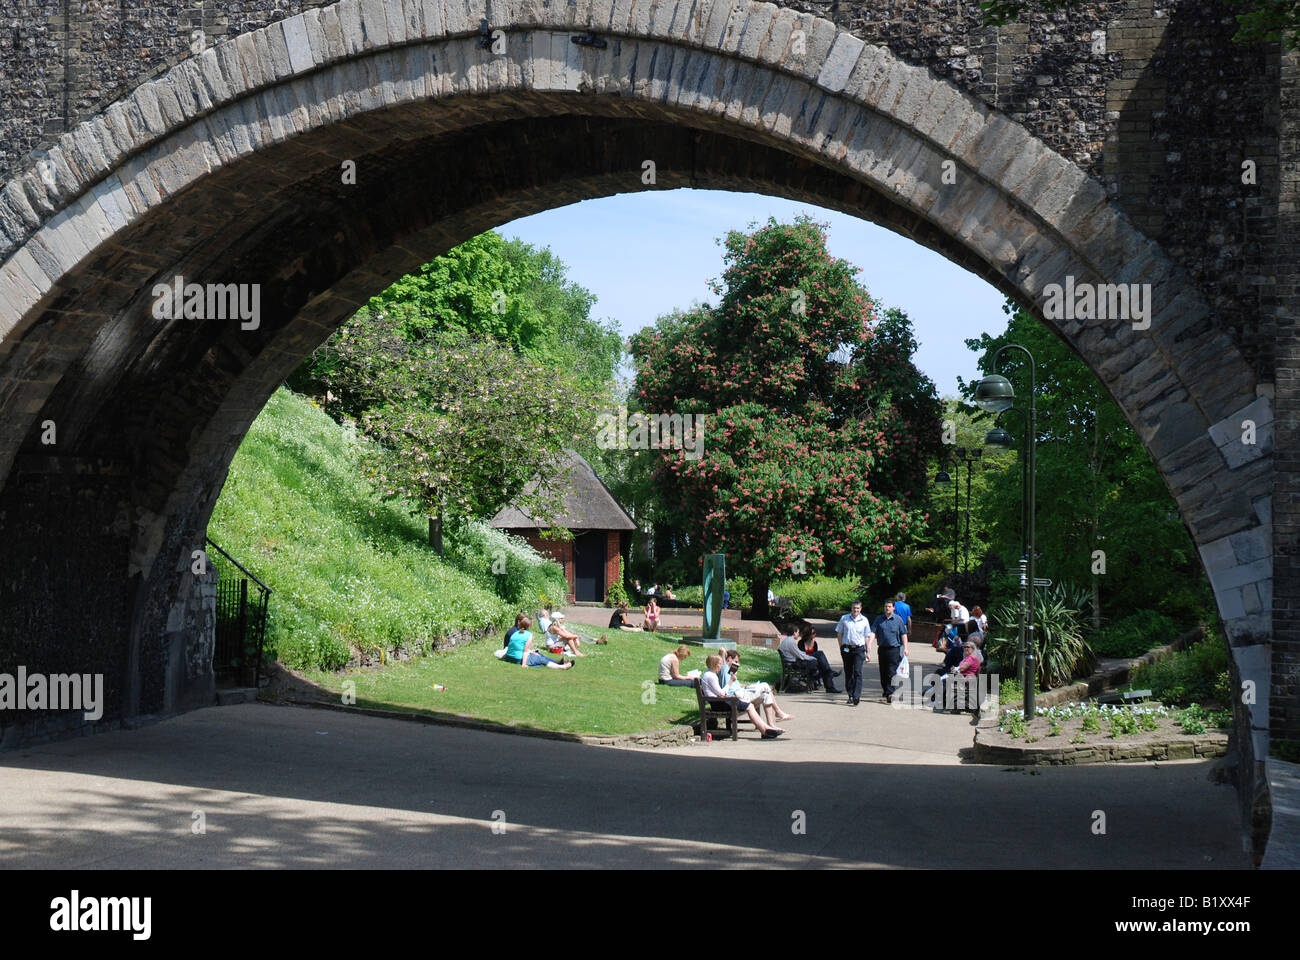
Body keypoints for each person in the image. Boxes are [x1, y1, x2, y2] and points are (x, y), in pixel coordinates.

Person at [700, 653, 784, 739]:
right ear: (715, 664)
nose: (721, 666)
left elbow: (720, 693)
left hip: (719, 702)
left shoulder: (710, 674)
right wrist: (730, 681)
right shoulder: (711, 676)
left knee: (750, 705)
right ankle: (765, 730)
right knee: (750, 706)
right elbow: (721, 693)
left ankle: (766, 729)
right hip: (719, 704)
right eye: (720, 663)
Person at [722, 649, 794, 724]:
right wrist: (726, 656)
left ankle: (771, 725)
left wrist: (746, 686)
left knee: (766, 693)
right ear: (729, 659)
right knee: (765, 686)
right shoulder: (724, 668)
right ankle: (778, 712)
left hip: (741, 692)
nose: (737, 664)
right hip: (736, 696)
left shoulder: (730, 671)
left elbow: (735, 683)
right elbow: (722, 650)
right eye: (736, 661)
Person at [778, 624, 842, 693]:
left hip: (793, 662)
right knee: (819, 658)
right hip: (794, 664)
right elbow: (800, 655)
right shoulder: (791, 642)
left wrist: (812, 657)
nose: (798, 634)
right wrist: (812, 658)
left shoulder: (788, 640)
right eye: (798, 632)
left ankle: (829, 676)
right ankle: (829, 678)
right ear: (794, 632)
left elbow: (800, 654)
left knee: (820, 659)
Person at [871, 598, 910, 703]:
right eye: (885, 606)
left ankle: (890, 693)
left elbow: (903, 634)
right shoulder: (879, 619)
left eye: (889, 606)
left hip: (894, 650)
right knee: (883, 672)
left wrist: (905, 648)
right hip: (882, 649)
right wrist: (869, 645)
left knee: (891, 672)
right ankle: (886, 693)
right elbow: (873, 632)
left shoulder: (898, 620)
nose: (887, 608)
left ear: (893, 608)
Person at [503, 614, 573, 669]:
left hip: (510, 657)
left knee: (537, 653)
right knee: (540, 659)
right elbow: (525, 651)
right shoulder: (528, 635)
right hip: (518, 659)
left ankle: (556, 662)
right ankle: (562, 667)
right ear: (529, 626)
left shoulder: (515, 633)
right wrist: (524, 664)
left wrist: (530, 651)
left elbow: (515, 646)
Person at [835, 600, 872, 706]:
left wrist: (868, 651)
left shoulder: (864, 620)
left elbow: (867, 637)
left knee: (857, 672)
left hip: (859, 649)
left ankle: (856, 695)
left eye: (857, 608)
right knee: (848, 672)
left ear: (861, 609)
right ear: (851, 608)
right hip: (847, 648)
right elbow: (839, 633)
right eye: (854, 608)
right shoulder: (844, 619)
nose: (855, 610)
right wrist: (841, 647)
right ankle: (850, 695)